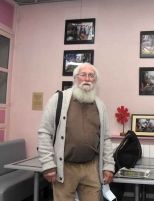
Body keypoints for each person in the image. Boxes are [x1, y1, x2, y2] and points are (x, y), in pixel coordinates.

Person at [38, 62, 115, 201]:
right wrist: (48, 165)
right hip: (65, 168)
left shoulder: (100, 106)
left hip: (91, 168)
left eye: (91, 76)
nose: (87, 79)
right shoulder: (58, 100)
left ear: (95, 81)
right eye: (83, 75)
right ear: (75, 78)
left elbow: (106, 138)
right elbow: (45, 132)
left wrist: (109, 165)